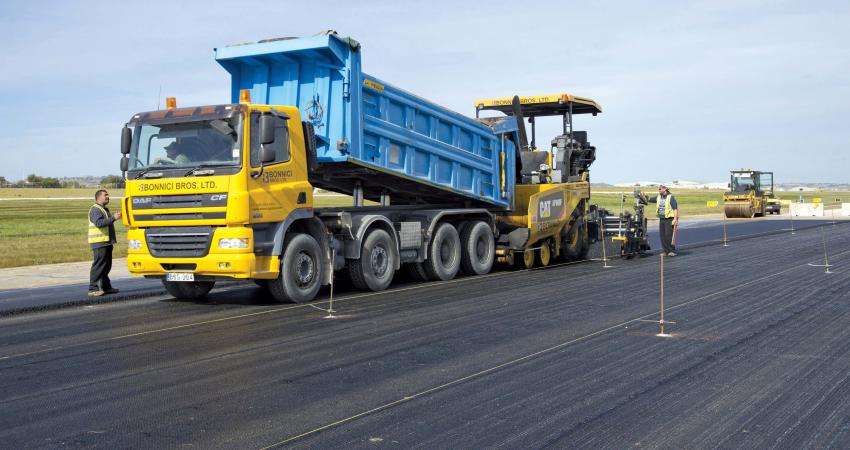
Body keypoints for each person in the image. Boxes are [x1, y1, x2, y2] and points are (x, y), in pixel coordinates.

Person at [88, 189, 121, 297]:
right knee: (98, 266)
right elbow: (99, 223)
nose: (108, 197)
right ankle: (93, 289)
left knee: (106, 266)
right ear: (98, 197)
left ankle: (106, 287)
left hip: (106, 242)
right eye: (105, 195)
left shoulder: (104, 209)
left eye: (108, 195)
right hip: (99, 243)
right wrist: (114, 218)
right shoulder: (95, 210)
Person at [644, 185, 679, 256]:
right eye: (658, 189)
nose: (659, 190)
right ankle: (666, 251)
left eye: (660, 189)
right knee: (662, 236)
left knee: (668, 235)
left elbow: (675, 208)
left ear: (665, 189)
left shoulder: (670, 197)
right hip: (662, 219)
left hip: (669, 219)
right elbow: (651, 199)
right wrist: (646, 196)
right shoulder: (659, 196)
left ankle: (672, 251)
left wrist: (675, 219)